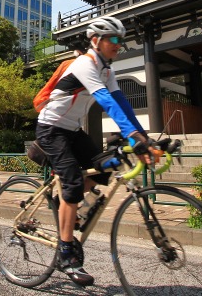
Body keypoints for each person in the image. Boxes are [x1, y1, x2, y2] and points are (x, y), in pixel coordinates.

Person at [35, 16, 153, 286]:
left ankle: (64, 201)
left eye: (121, 40)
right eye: (113, 39)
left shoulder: (107, 71)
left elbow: (121, 102)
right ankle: (65, 252)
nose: (118, 44)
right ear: (96, 40)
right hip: (51, 129)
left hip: (73, 131)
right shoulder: (84, 64)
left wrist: (144, 138)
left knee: (105, 169)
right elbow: (105, 101)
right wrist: (134, 139)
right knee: (73, 183)